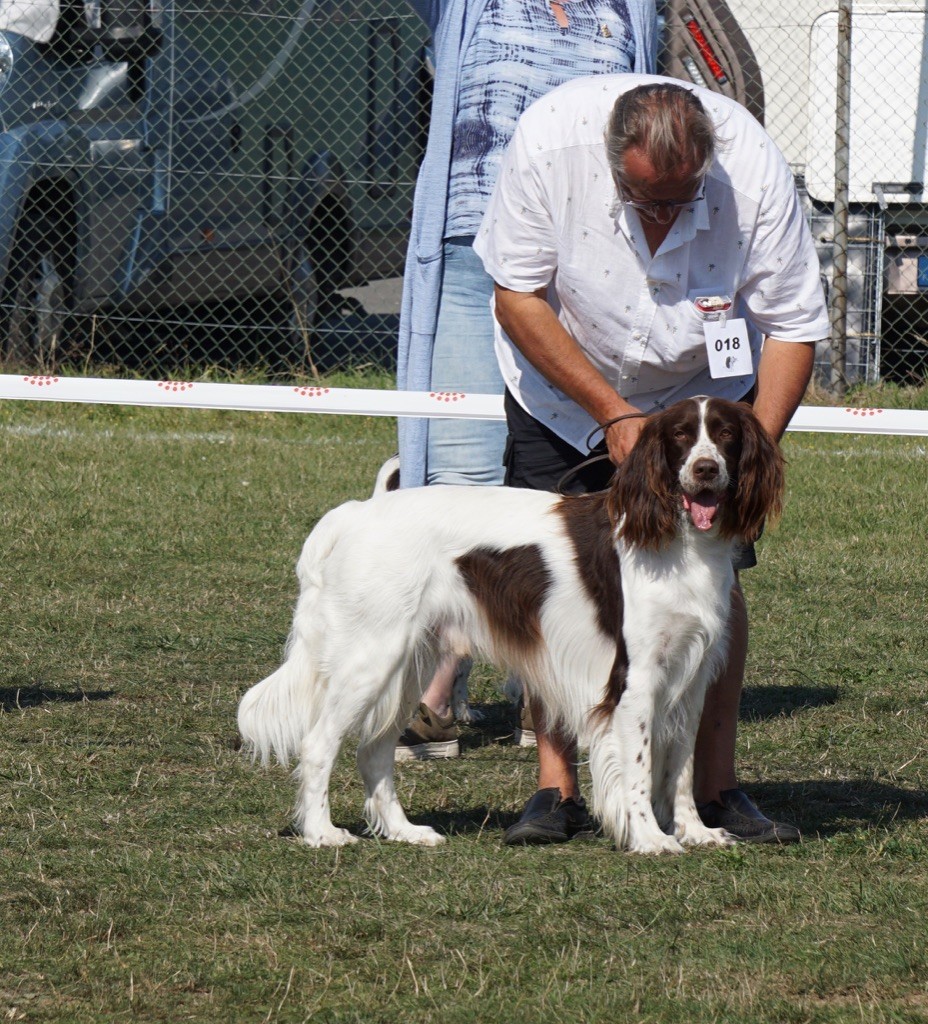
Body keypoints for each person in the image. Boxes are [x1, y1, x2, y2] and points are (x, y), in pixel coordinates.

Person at [473, 75, 830, 843]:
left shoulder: (754, 172)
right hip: (565, 387)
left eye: (682, 197)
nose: (666, 215)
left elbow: (794, 325)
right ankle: (556, 791)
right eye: (646, 200)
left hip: (704, 405)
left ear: (708, 160)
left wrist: (746, 454)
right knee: (556, 589)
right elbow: (517, 296)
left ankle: (717, 789)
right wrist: (612, 412)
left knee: (716, 583)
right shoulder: (549, 143)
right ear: (611, 165)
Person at [393, 0, 659, 759]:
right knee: (460, 472)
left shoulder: (630, 8)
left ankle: (547, 685)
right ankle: (438, 694)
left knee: (566, 475)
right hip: (472, 251)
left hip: (586, 262)